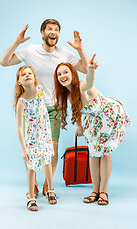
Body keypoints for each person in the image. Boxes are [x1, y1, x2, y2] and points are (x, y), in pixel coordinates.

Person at [0, 19, 89, 197]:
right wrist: (17, 42)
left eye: (56, 29)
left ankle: (48, 186)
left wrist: (79, 49)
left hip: (55, 107)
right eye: (49, 29)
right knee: (31, 146)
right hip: (33, 107)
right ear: (43, 32)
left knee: (53, 147)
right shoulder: (31, 50)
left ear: (58, 34)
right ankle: (32, 184)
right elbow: (4, 62)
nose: (53, 32)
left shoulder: (65, 53)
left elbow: (87, 70)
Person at [54, 54, 131, 205]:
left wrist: (91, 68)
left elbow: (90, 81)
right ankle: (95, 190)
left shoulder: (82, 86)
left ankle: (103, 191)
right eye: (59, 74)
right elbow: (78, 110)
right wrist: (79, 125)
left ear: (73, 74)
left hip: (109, 116)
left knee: (105, 153)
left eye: (65, 72)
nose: (62, 76)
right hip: (94, 122)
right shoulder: (69, 95)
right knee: (94, 154)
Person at [15, 65, 57, 211]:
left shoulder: (40, 89)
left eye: (30, 73)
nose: (28, 75)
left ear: (34, 77)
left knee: (47, 162)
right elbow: (19, 127)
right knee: (31, 168)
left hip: (45, 135)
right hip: (32, 140)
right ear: (19, 81)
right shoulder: (22, 102)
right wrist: (23, 148)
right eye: (23, 74)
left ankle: (50, 189)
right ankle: (32, 198)